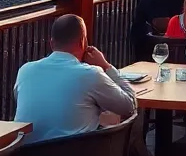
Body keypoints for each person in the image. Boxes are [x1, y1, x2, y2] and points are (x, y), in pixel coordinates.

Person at [15, 14, 138, 143]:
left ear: (51, 43)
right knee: (128, 132)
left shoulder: (25, 70)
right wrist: (105, 66)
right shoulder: (91, 74)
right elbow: (129, 106)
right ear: (82, 42)